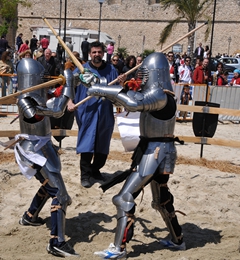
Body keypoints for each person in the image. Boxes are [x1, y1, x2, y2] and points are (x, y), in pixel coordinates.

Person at [83, 52, 186, 259]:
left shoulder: (160, 95)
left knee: (124, 197)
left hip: (154, 153)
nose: (140, 77)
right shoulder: (164, 93)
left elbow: (133, 103)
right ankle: (178, 240)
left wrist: (100, 88)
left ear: (152, 73)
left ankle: (118, 248)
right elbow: (128, 99)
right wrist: (99, 83)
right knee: (162, 199)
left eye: (143, 73)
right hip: (158, 151)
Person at [14, 58, 79, 257]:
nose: (46, 80)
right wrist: (68, 82)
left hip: (42, 146)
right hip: (34, 151)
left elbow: (58, 96)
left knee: (49, 185)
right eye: (41, 78)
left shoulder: (37, 97)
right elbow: (58, 111)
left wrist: (76, 77)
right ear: (33, 79)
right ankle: (57, 242)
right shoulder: (26, 101)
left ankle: (30, 216)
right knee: (60, 195)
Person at [67, 41, 119, 188]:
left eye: (99, 52)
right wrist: (70, 102)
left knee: (102, 144)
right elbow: (69, 87)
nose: (97, 54)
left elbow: (117, 92)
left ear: (103, 53)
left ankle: (96, 171)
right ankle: (85, 175)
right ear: (89, 54)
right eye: (94, 52)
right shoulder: (81, 70)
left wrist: (122, 83)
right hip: (87, 112)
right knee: (87, 144)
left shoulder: (111, 70)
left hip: (105, 113)